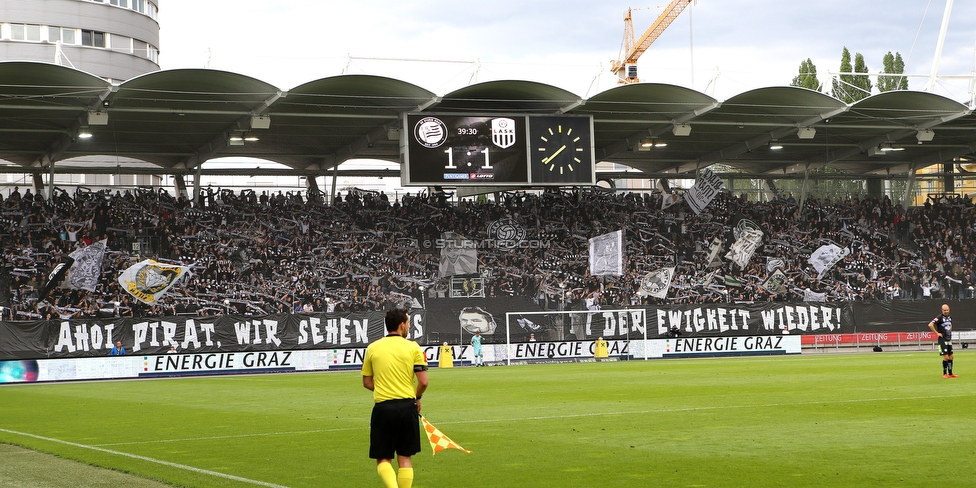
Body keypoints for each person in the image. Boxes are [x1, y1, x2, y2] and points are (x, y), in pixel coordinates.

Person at [362, 308, 428, 488]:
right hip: (408, 406)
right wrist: (418, 397)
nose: (408, 326)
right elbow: (423, 381)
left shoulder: (373, 348)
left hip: (383, 408)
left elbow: (367, 382)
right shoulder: (413, 347)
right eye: (407, 323)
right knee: (405, 457)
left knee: (383, 458)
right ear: (401, 325)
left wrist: (384, 386)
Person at [927, 303, 957, 378]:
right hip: (942, 339)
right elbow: (930, 324)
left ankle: (950, 373)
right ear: (942, 310)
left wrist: (949, 331)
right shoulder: (939, 317)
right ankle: (944, 373)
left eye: (947, 310)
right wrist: (937, 333)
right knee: (946, 357)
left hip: (948, 338)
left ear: (949, 309)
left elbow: (950, 324)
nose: (946, 311)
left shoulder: (950, 317)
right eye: (944, 310)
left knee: (951, 356)